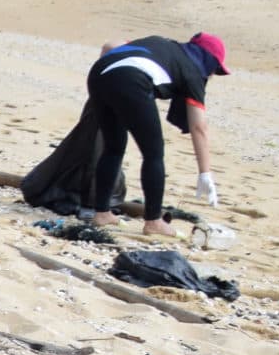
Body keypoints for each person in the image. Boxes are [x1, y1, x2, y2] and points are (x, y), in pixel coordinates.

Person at [85, 31, 228, 236]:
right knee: (153, 153)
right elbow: (199, 127)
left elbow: (109, 45)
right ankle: (153, 221)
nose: (212, 75)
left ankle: (102, 213)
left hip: (99, 74)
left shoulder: (161, 43)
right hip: (132, 79)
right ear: (208, 60)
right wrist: (205, 173)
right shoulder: (193, 72)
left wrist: (111, 85)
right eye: (215, 69)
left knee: (113, 147)